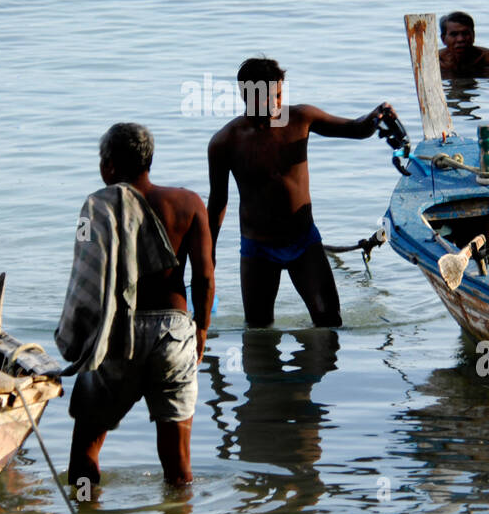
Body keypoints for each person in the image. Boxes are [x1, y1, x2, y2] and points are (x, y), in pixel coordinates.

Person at [62, 123, 214, 488]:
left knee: (86, 448)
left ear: (110, 166)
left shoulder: (96, 207)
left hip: (117, 334)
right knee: (178, 467)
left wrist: (78, 336)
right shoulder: (189, 203)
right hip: (175, 334)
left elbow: (84, 280)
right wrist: (202, 330)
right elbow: (205, 277)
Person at [207, 57, 398, 328]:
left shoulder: (300, 118)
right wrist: (208, 254)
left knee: (329, 323)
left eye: (279, 94)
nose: (274, 104)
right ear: (245, 95)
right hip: (258, 247)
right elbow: (217, 203)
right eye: (265, 98)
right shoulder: (226, 141)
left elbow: (356, 129)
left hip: (304, 241)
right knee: (259, 330)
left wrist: (376, 116)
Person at [438, 12, 489, 77]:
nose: (460, 39)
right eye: (454, 34)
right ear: (443, 39)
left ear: (473, 35)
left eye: (465, 33)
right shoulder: (435, 62)